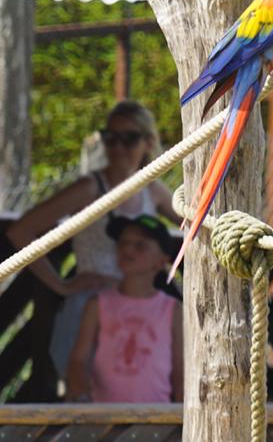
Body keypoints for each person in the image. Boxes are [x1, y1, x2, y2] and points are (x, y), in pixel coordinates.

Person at [5, 100, 181, 378]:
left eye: (129, 138)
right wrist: (61, 286)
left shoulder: (153, 191)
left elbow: (197, 228)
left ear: (148, 143)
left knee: (141, 397)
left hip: (138, 312)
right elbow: (20, 232)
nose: (119, 147)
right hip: (92, 309)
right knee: (87, 398)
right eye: (111, 138)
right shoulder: (90, 188)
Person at [66, 214, 183, 403]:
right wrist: (82, 395)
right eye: (122, 243)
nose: (127, 249)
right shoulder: (97, 304)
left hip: (157, 420)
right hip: (105, 419)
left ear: (161, 262)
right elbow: (78, 361)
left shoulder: (173, 309)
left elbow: (180, 372)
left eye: (140, 245)